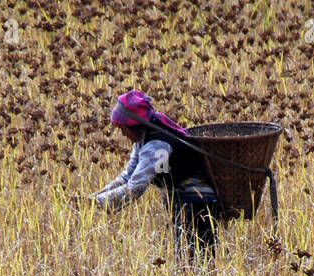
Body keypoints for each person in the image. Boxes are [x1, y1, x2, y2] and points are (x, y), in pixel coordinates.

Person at [86, 90, 220, 265]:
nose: (123, 134)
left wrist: (96, 203)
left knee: (200, 259)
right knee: (183, 257)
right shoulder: (144, 136)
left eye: (122, 129)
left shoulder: (157, 144)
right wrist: (94, 197)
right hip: (179, 199)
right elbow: (127, 176)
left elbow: (135, 187)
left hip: (197, 200)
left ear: (133, 125)